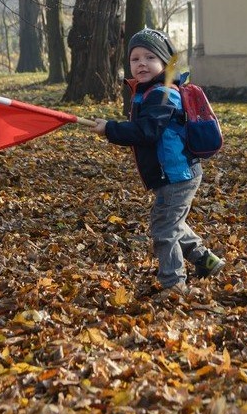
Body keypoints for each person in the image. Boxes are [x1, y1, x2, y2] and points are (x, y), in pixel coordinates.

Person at [93, 28, 225, 301]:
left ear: (165, 63)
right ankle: (206, 261)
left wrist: (110, 129)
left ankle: (174, 283)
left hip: (177, 175)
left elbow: (146, 132)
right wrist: (112, 128)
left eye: (150, 57)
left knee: (164, 228)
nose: (141, 63)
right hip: (173, 174)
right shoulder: (150, 92)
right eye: (135, 58)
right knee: (169, 222)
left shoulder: (164, 94)